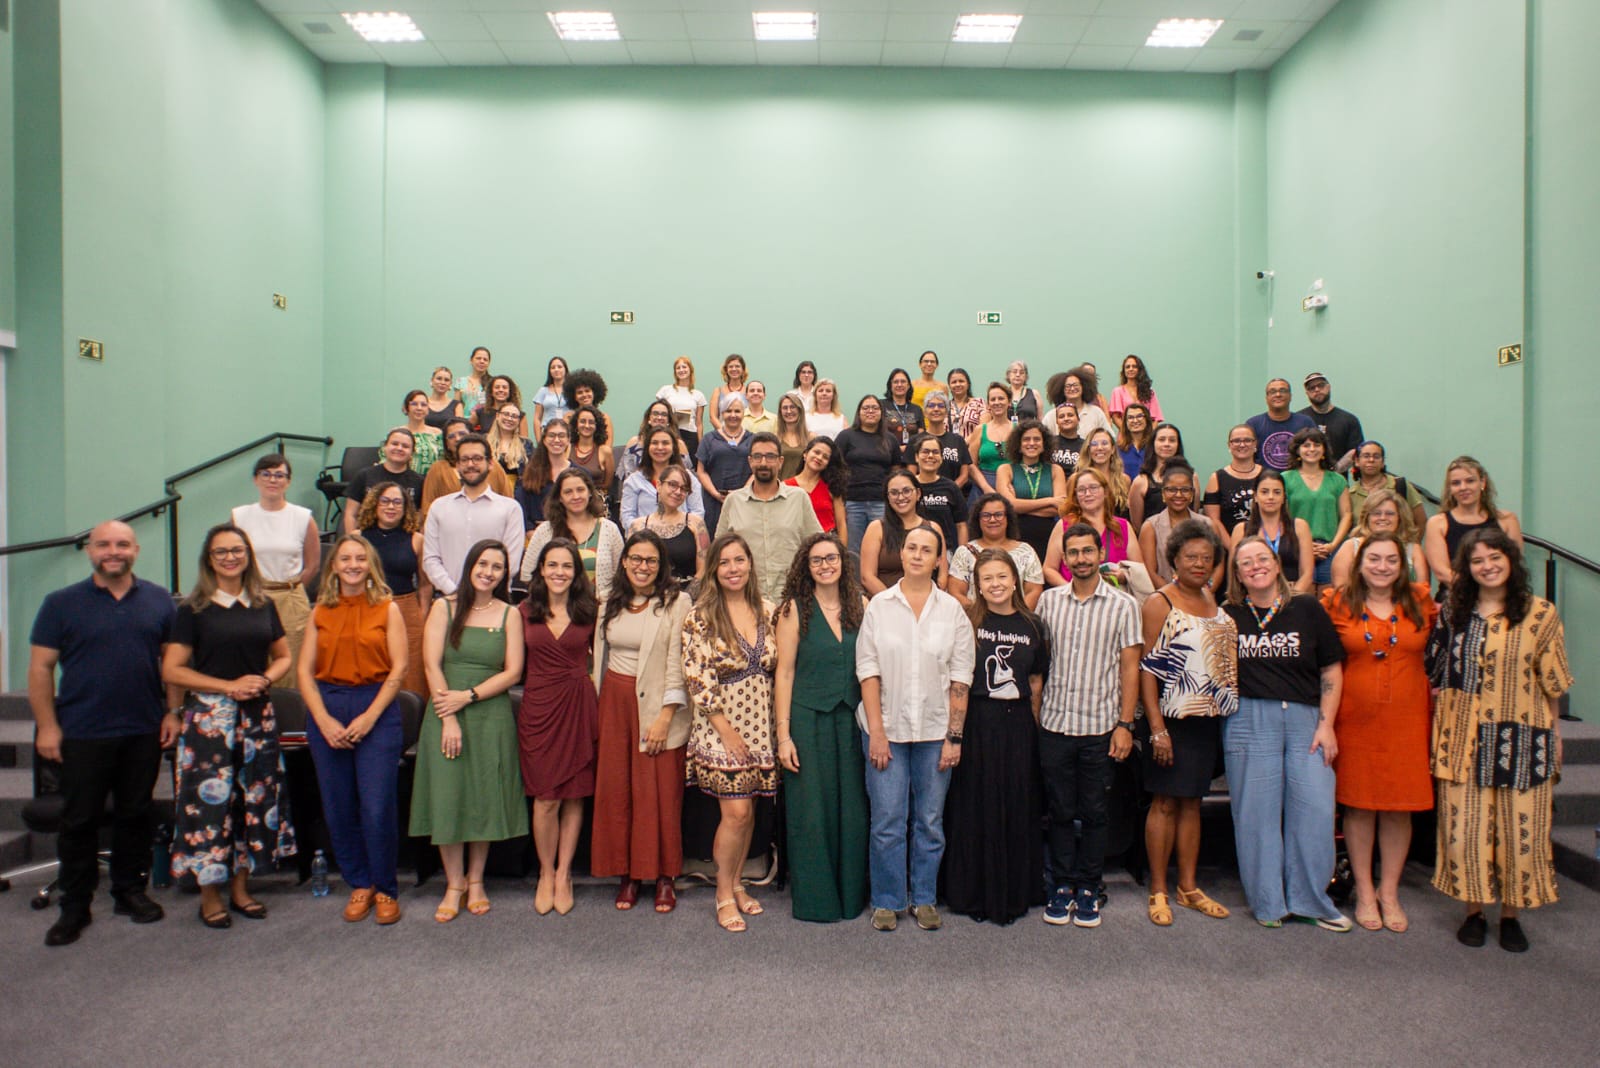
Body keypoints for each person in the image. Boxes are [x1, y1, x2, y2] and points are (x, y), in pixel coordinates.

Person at [29, 521, 178, 946]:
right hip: (82, 731)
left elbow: (171, 664)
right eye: (104, 544)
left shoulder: (158, 600)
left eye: (122, 544)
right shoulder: (60, 604)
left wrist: (172, 712)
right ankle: (74, 906)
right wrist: (47, 726)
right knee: (79, 821)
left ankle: (129, 891)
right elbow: (40, 669)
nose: (113, 551)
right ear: (89, 550)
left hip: (143, 727)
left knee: (136, 813)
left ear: (135, 549)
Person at [1427, 528, 1571, 953]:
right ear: (1466, 569)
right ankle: (1474, 911)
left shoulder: (1540, 614)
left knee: (1518, 832)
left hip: (1523, 737)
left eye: (1495, 557)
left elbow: (1553, 683)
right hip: (1463, 739)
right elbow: (1434, 672)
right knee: (1466, 833)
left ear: (1510, 560)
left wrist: (1557, 734)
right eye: (1477, 560)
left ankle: (1511, 916)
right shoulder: (1452, 612)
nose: (1487, 566)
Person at [164, 524, 296, 928]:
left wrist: (265, 680)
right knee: (209, 807)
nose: (230, 558)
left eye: (237, 550)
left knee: (252, 802)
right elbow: (172, 669)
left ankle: (241, 888)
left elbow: (283, 656)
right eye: (221, 552)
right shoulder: (193, 609)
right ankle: (209, 895)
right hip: (209, 722)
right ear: (209, 559)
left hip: (256, 717)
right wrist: (228, 687)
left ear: (248, 555)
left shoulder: (262, 603)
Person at [1222, 536, 1351, 931]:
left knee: (1314, 810)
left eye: (1263, 558)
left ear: (1278, 565)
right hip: (1248, 720)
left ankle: (1312, 901)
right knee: (1255, 816)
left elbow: (1331, 669)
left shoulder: (1307, 608)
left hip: (1306, 720)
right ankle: (1268, 903)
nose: (1256, 566)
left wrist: (1327, 724)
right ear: (1238, 575)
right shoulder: (1228, 614)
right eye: (1246, 563)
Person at [856, 525, 975, 932]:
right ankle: (887, 900)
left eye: (927, 550)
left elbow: (961, 677)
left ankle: (923, 897)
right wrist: (876, 731)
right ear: (902, 553)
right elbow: (868, 671)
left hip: (935, 734)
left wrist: (954, 737)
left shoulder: (952, 611)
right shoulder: (879, 606)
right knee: (887, 819)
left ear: (940, 559)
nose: (918, 555)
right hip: (885, 729)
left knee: (929, 820)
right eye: (911, 548)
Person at [1321, 533, 1436, 933]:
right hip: (1353, 718)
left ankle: (1390, 892)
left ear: (1402, 565)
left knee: (1398, 807)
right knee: (1359, 805)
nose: (1383, 566)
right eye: (1374, 559)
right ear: (1359, 562)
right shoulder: (1337, 601)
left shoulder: (1420, 601)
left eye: (1391, 560)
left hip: (1406, 719)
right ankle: (1365, 892)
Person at [409, 540, 528, 922]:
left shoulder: (509, 614)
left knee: (482, 797)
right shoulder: (444, 607)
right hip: (445, 711)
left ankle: (476, 880)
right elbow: (431, 665)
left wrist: (469, 696)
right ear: (469, 566)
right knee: (450, 795)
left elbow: (512, 672)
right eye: (482, 564)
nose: (488, 572)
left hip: (488, 711)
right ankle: (454, 882)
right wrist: (448, 714)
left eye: (497, 566)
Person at [1034, 523, 1142, 928]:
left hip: (1100, 725)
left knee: (1095, 812)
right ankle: (1061, 884)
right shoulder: (1048, 603)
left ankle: (1088, 886)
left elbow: (1131, 668)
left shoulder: (1123, 605)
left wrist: (1125, 724)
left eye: (1087, 551)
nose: (1080, 558)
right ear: (1064, 558)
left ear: (1100, 554)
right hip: (1056, 723)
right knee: (1059, 811)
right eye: (1073, 552)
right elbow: (1039, 669)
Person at [298, 534, 409, 925]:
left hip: (375, 707)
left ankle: (385, 888)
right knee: (338, 806)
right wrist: (324, 720)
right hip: (327, 708)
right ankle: (359, 883)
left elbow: (398, 670)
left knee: (377, 806)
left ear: (371, 564)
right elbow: (303, 673)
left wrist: (368, 717)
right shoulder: (319, 611)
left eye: (360, 558)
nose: (352, 564)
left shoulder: (387, 608)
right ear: (333, 566)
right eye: (344, 558)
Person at [1139, 519, 1239, 927]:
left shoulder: (1213, 598)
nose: (1199, 564)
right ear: (1173, 559)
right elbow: (1148, 670)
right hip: (1171, 720)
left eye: (1206, 557)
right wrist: (1157, 728)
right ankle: (1159, 889)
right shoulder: (1160, 602)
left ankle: (1190, 887)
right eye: (1190, 557)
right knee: (1164, 802)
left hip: (1207, 721)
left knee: (1192, 804)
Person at [943, 549, 1050, 925]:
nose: (995, 584)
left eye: (1002, 577)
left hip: (1018, 725)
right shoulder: (966, 621)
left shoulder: (1033, 625)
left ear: (1015, 580)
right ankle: (974, 892)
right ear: (977, 584)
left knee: (1017, 805)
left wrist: (1035, 732)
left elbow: (1035, 683)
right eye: (987, 578)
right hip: (978, 722)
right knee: (975, 806)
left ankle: (1015, 891)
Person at [590, 531, 693, 914]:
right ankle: (628, 875)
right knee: (619, 793)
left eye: (650, 560)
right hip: (614, 706)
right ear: (624, 561)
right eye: (635, 558)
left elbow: (677, 664)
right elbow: (597, 659)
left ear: (661, 565)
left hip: (657, 706)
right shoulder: (608, 603)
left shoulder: (676, 602)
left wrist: (666, 716)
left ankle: (664, 876)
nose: (642, 566)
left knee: (660, 795)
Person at [683, 534, 780, 933]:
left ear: (750, 564)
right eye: (725, 562)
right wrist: (726, 733)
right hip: (721, 725)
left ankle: (738, 882)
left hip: (762, 724)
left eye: (740, 560)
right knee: (736, 811)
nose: (733, 568)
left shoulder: (768, 610)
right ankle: (723, 893)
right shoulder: (701, 616)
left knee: (750, 809)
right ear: (714, 569)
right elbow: (697, 678)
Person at [774, 533, 870, 922]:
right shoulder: (793, 609)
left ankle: (851, 897)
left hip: (851, 719)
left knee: (853, 810)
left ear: (843, 563)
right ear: (806, 567)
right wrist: (783, 736)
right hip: (807, 718)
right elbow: (784, 672)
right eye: (817, 560)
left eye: (831, 558)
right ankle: (817, 900)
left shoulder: (860, 604)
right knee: (811, 811)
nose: (825, 565)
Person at [518, 538, 600, 916]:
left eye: (567, 566)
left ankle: (564, 872)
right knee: (545, 797)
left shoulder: (590, 610)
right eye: (552, 565)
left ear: (576, 572)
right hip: (538, 707)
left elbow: (599, 662)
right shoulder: (523, 611)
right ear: (540, 570)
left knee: (573, 794)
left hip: (578, 704)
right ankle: (545, 873)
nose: (559, 572)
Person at [232, 453, 319, 692]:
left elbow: (312, 565)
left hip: (290, 600)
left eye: (280, 475)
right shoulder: (240, 516)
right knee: (252, 660)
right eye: (266, 474)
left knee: (291, 665)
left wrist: (289, 586)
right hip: (252, 598)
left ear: (288, 482)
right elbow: (231, 561)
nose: (273, 480)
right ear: (255, 479)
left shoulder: (302, 517)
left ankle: (289, 723)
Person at [715, 432, 823, 603]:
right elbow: (718, 553)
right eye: (758, 457)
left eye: (770, 456)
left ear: (780, 462)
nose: (763, 463)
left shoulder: (799, 498)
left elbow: (818, 546)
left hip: (792, 601)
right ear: (750, 461)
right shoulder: (733, 501)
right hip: (746, 600)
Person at [421, 433, 525, 596]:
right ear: (458, 465)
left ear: (490, 463)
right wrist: (454, 592)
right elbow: (430, 559)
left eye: (477, 458)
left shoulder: (510, 509)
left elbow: (511, 562)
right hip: (449, 600)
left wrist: (482, 593)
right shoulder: (439, 508)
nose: (471, 464)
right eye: (464, 459)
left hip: (494, 600)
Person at [356, 482, 429, 695]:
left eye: (398, 502)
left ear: (406, 507)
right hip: (367, 607)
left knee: (411, 674)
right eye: (385, 501)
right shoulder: (358, 537)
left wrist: (422, 614)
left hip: (406, 609)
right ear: (375, 504)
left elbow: (425, 584)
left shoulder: (416, 540)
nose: (391, 507)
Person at [1423, 456, 1524, 596]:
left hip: (1501, 598)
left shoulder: (1507, 520)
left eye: (1470, 481)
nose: (1463, 488)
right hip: (1455, 599)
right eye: (1456, 483)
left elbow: (1514, 565)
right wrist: (1480, 594)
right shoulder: (1437, 523)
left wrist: (1491, 597)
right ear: (1450, 488)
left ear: (1482, 482)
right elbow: (1442, 573)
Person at [522, 468, 624, 602]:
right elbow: (527, 575)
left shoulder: (609, 529)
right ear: (560, 498)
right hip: (555, 614)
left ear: (590, 493)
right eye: (568, 492)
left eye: (580, 490)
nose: (576, 496)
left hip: (600, 612)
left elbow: (622, 575)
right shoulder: (544, 531)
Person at [1043, 468, 1145, 588]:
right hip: (1072, 600)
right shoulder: (1064, 525)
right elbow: (1049, 569)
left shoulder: (1122, 526)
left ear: (1105, 491)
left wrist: (1123, 576)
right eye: (1081, 490)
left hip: (1113, 599)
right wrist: (1071, 590)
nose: (1087, 494)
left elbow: (1139, 570)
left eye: (1093, 488)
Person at [949, 493, 1046, 610]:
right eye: (986, 515)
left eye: (999, 515)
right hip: (975, 622)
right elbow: (956, 593)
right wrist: (984, 617)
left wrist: (1014, 617)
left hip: (1018, 623)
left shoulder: (1027, 551)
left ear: (1008, 518)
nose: (992, 520)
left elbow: (1034, 591)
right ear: (977, 519)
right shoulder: (965, 552)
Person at [1282, 427, 1351, 589]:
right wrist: (1303, 545)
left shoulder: (1338, 480)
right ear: (1297, 450)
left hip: (1330, 549)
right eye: (1306, 445)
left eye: (1317, 445)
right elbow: (1281, 516)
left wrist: (1332, 545)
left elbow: (1346, 515)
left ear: (1324, 449)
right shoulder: (1285, 479)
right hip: (1296, 549)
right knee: (1303, 602)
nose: (1312, 449)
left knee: (1328, 601)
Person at [1140, 461, 1225, 587]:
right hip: (1165, 599)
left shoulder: (1207, 524)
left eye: (1185, 490)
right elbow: (1150, 572)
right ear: (1163, 494)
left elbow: (1218, 568)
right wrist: (1175, 597)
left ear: (1192, 494)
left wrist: (1205, 592)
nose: (1178, 495)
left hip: (1203, 597)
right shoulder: (1151, 526)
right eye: (1172, 490)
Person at [860, 471, 944, 596]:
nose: (900, 497)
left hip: (926, 602)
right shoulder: (876, 528)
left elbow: (942, 576)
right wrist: (895, 602)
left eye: (906, 491)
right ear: (888, 498)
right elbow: (867, 577)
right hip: (884, 603)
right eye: (894, 493)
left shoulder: (933, 528)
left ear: (918, 493)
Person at [1231, 471, 1314, 595]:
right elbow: (1234, 573)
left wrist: (1289, 599)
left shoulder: (1300, 527)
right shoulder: (1241, 530)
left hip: (1293, 598)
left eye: (1277, 492)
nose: (1271, 497)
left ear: (1283, 498)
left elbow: (1307, 574)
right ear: (1255, 496)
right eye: (1264, 492)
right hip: (1253, 598)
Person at [834, 395, 899, 555]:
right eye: (866, 408)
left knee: (882, 550)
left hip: (881, 503)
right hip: (853, 502)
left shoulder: (890, 439)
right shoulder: (846, 436)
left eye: (875, 408)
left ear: (881, 413)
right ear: (859, 412)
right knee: (853, 551)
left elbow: (896, 472)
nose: (870, 411)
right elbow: (835, 468)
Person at [1330, 487, 1430, 590]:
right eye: (1376, 513)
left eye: (1390, 514)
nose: (1383, 518)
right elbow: (1340, 589)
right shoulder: (1350, 547)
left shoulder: (1413, 549)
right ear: (1367, 517)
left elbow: (1422, 590)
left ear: (1400, 517)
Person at [628, 461, 710, 584]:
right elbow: (631, 568)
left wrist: (685, 597)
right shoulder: (637, 526)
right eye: (673, 485)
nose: (678, 492)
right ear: (659, 485)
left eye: (684, 488)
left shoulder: (696, 523)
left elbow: (704, 570)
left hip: (688, 596)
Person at [997, 418, 1066, 563]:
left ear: (1044, 443)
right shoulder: (1006, 469)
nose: (1032, 443)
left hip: (1047, 536)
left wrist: (1020, 507)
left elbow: (1060, 508)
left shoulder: (1055, 470)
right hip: (1015, 535)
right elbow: (1009, 506)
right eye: (1026, 439)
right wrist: (1049, 500)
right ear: (1018, 444)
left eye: (1037, 439)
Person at [421, 418, 515, 519]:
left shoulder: (492, 466)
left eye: (462, 433)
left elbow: (507, 500)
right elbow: (427, 507)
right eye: (451, 436)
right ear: (446, 444)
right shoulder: (437, 469)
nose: (457, 438)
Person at [620, 426, 704, 529]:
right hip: (645, 540)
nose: (660, 447)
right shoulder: (634, 481)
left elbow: (698, 512)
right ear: (647, 448)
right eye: (654, 443)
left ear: (673, 448)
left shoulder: (688, 477)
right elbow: (627, 517)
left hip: (680, 538)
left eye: (665, 443)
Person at [343, 427, 422, 533]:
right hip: (367, 540)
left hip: (404, 541)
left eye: (405, 446)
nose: (399, 448)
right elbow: (350, 514)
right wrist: (352, 542)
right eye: (394, 444)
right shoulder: (364, 476)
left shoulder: (419, 481)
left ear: (412, 453)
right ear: (385, 447)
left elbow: (421, 519)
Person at [696, 393, 752, 536]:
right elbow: (701, 471)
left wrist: (742, 492)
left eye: (737, 411)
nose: (733, 415)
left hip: (745, 501)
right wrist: (716, 494)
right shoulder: (709, 439)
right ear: (722, 413)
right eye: (728, 411)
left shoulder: (753, 439)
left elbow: (756, 471)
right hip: (714, 502)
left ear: (744, 412)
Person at [1347, 439, 1427, 535]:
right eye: (1366, 456)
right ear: (1357, 461)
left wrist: (1411, 547)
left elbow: (1421, 520)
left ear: (1383, 462)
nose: (1371, 460)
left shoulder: (1400, 485)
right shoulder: (1350, 494)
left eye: (1376, 456)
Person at [908, 433, 968, 553]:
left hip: (945, 551)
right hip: (913, 549)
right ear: (916, 457)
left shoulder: (951, 487)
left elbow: (961, 525)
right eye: (925, 451)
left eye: (935, 452)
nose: (930, 456)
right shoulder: (908, 486)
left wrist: (962, 556)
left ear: (941, 458)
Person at [1204, 424, 1264, 540]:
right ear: (1229, 445)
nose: (1242, 444)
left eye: (1247, 440)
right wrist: (1233, 547)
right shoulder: (1216, 478)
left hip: (1265, 546)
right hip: (1228, 547)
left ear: (1255, 444)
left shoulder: (1267, 476)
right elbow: (1214, 521)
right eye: (1236, 441)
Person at [786, 435, 848, 544]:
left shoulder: (832, 488)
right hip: (796, 545)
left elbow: (841, 524)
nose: (819, 458)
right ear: (805, 454)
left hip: (827, 545)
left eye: (825, 457)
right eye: (816, 452)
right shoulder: (786, 487)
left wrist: (842, 554)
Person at [1298, 372, 1363, 472]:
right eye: (1312, 388)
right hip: (1305, 481)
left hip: (1338, 482)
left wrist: (1335, 471)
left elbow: (1355, 450)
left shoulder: (1349, 420)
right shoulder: (1299, 419)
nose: (1317, 389)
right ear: (1307, 393)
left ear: (1328, 387)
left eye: (1321, 385)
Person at [1246, 378, 1316, 472]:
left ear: (1290, 396)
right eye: (1273, 391)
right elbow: (1246, 458)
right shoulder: (1253, 424)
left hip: (1299, 482)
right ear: (1266, 398)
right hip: (1264, 483)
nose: (1278, 394)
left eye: (1283, 391)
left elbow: (1316, 453)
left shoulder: (1305, 423)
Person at [516, 416, 572, 528]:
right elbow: (521, 505)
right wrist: (530, 531)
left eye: (561, 436)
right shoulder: (530, 471)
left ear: (568, 440)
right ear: (544, 439)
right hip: (536, 535)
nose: (556, 440)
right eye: (552, 435)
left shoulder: (579, 473)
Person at [1127, 421, 1185, 531]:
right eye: (1161, 439)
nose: (1166, 444)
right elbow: (1137, 526)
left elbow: (1193, 513)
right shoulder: (1141, 481)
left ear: (1178, 445)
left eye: (1172, 440)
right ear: (1153, 443)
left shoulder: (1192, 478)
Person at [966, 383, 1014, 498]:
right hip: (983, 488)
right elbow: (971, 465)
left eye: (1001, 398)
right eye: (993, 399)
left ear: (1009, 402)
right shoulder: (980, 430)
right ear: (988, 405)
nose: (997, 402)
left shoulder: (1019, 430)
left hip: (1012, 487)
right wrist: (986, 488)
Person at [920, 390, 972, 489]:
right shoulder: (916, 441)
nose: (936, 409)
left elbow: (964, 475)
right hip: (923, 496)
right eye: (931, 405)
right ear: (925, 412)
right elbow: (911, 474)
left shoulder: (958, 441)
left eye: (941, 406)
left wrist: (949, 491)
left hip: (953, 495)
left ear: (947, 412)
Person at [1045, 368, 1113, 442]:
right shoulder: (1051, 415)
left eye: (1076, 385)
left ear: (1083, 387)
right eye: (1068, 386)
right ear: (1062, 389)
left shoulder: (1096, 412)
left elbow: (1109, 437)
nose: (1072, 388)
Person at [619, 400, 677, 486]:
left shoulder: (679, 445)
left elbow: (685, 477)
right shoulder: (634, 443)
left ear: (669, 421)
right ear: (648, 419)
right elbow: (627, 476)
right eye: (655, 413)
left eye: (664, 415)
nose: (659, 417)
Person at [658, 356, 707, 454]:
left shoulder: (698, 395)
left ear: (690, 370)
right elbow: (660, 413)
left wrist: (701, 444)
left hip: (690, 436)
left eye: (684, 367)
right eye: (678, 368)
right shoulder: (665, 390)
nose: (681, 370)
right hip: (669, 433)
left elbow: (699, 423)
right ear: (675, 371)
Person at [1080, 428, 1132, 518]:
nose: (1099, 448)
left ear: (1112, 449)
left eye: (1104, 443)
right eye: (1094, 444)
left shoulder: (1124, 480)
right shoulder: (1077, 479)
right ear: (1088, 450)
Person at [567, 404, 615, 497]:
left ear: (597, 426)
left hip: (596, 501)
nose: (587, 425)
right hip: (570, 500)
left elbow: (608, 484)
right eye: (582, 421)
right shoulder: (567, 449)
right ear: (576, 424)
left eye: (591, 422)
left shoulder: (605, 451)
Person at [1107, 354, 1164, 427]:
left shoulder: (1149, 392)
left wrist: (1148, 436)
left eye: (1134, 366)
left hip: (1146, 436)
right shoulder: (1117, 391)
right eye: (1127, 367)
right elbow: (1116, 417)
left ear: (1140, 370)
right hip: (1125, 436)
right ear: (1124, 371)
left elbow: (1155, 419)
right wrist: (1128, 434)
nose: (1131, 369)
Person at [564, 368, 615, 443]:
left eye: (587, 391)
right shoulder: (568, 418)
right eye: (579, 392)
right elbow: (565, 444)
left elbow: (607, 448)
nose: (584, 395)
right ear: (574, 397)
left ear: (594, 393)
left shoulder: (605, 418)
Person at [402, 389, 446, 476]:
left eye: (423, 405)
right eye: (414, 404)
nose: (419, 408)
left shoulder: (437, 434)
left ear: (428, 409)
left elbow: (443, 462)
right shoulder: (397, 434)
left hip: (433, 482)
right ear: (406, 408)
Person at [485, 404, 533, 478]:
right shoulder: (484, 441)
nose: (510, 419)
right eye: (506, 414)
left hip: (517, 487)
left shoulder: (526, 444)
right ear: (497, 416)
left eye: (514, 416)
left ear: (518, 421)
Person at [882, 367, 924, 446]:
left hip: (911, 454)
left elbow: (921, 437)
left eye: (903, 381)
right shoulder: (881, 405)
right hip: (887, 453)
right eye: (896, 382)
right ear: (890, 385)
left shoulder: (917, 409)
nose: (899, 385)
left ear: (908, 386)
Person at [774, 391, 809, 479]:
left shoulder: (810, 438)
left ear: (799, 409)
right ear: (780, 412)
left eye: (792, 407)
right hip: (781, 488)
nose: (789, 411)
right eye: (785, 408)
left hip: (803, 490)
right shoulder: (775, 438)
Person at [707, 353, 750, 427]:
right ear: (726, 370)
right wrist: (725, 433)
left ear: (743, 369)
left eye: (737, 366)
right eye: (730, 366)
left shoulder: (749, 391)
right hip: (722, 435)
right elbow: (713, 417)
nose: (734, 369)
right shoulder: (718, 391)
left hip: (745, 435)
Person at [530, 356, 571, 429]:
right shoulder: (543, 391)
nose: (556, 369)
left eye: (559, 367)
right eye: (553, 367)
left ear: (565, 369)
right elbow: (537, 418)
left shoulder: (573, 390)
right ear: (549, 371)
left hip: (568, 432)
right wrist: (539, 439)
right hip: (548, 432)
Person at [1115, 403, 1154, 480]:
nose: (1135, 420)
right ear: (1125, 422)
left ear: (1147, 419)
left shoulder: (1155, 446)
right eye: (1130, 417)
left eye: (1139, 416)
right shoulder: (1117, 449)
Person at [456, 346, 493, 420]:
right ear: (471, 360)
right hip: (465, 423)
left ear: (488, 363)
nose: (482, 361)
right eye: (478, 358)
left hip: (485, 423)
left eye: (485, 359)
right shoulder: (461, 381)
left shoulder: (492, 382)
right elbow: (456, 405)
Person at [1050, 403, 1084, 483]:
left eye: (1070, 415)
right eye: (1061, 416)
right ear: (1057, 422)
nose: (1066, 419)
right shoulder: (1049, 443)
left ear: (1078, 419)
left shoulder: (1086, 445)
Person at [946, 367, 984, 438]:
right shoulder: (945, 406)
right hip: (949, 448)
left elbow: (984, 428)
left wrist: (963, 444)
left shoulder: (979, 403)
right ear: (949, 386)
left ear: (968, 384)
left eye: (961, 381)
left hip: (973, 446)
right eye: (954, 382)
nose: (957, 384)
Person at [423, 366, 463, 430]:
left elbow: (459, 429)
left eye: (446, 380)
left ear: (450, 384)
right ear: (432, 381)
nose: (442, 383)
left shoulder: (457, 405)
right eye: (439, 379)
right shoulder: (423, 403)